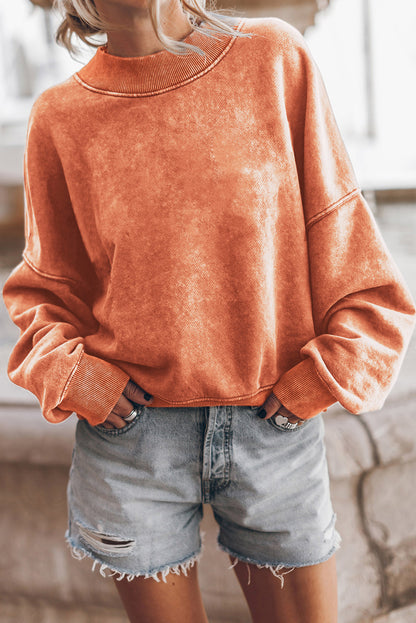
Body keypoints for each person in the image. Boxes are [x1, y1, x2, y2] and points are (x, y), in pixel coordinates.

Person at [2, 1, 415, 622]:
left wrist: (325, 376)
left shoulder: (274, 59)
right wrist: (74, 376)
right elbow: (41, 294)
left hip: (273, 429)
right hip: (131, 445)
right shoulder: (61, 119)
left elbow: (350, 250)